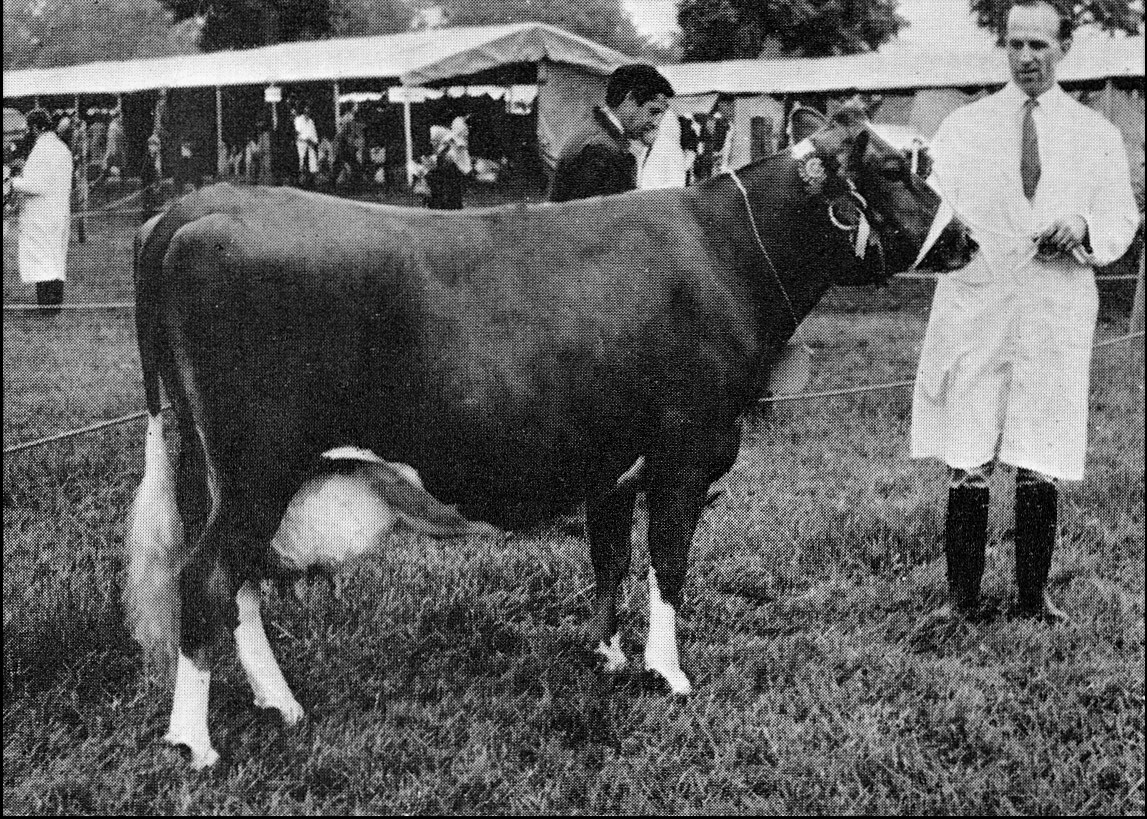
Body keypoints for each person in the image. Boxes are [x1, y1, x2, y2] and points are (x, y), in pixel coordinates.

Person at [910, 0, 1139, 621]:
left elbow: (1122, 217)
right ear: (1004, 47)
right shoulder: (964, 127)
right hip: (977, 304)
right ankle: (960, 601)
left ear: (1063, 48)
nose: (1027, 57)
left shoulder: (1096, 134)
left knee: (1041, 453)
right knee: (968, 450)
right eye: (1016, 44)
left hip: (1054, 308)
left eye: (1040, 44)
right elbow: (928, 215)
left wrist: (1083, 224)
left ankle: (1033, 599)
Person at [547, 63, 674, 203]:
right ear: (630, 99)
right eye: (653, 112)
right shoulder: (601, 149)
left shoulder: (597, 134)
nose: (656, 123)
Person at [8, 109, 73, 308]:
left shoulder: (42, 150)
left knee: (42, 259)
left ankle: (46, 304)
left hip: (42, 214)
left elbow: (36, 185)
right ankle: (54, 302)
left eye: (29, 128)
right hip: (58, 210)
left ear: (36, 128)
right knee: (55, 258)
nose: (27, 132)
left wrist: (13, 182)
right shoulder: (62, 148)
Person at [425, 116, 472, 210]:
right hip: (451, 169)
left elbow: (456, 150)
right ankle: (440, 204)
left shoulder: (456, 141)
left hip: (455, 170)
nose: (466, 131)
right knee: (445, 186)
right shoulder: (449, 139)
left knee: (452, 189)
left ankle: (449, 204)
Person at [294, 103, 319, 189]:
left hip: (310, 144)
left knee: (313, 162)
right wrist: (305, 139)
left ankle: (312, 181)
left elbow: (314, 135)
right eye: (306, 110)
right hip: (301, 144)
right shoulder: (299, 120)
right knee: (301, 161)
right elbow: (297, 134)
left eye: (309, 110)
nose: (307, 112)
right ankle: (301, 180)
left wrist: (313, 141)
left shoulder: (311, 122)